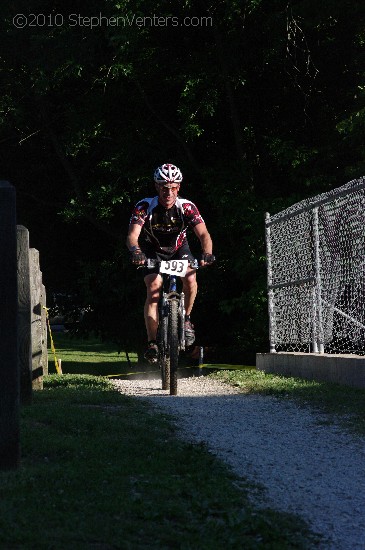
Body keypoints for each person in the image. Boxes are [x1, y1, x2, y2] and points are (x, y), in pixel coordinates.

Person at [126, 163, 215, 362]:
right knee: (154, 288)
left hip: (178, 250)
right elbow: (132, 236)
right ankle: (152, 343)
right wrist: (137, 251)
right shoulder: (144, 207)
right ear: (157, 187)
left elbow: (203, 234)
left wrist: (207, 253)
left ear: (179, 188)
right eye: (164, 188)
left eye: (173, 187)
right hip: (152, 251)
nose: (169, 192)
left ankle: (186, 318)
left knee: (191, 280)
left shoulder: (186, 207)